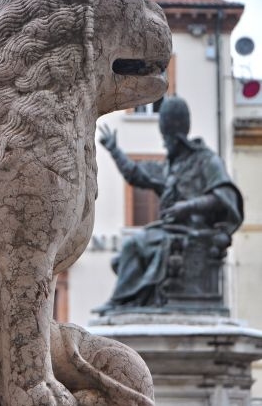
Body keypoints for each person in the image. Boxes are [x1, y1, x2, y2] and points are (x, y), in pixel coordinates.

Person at [94, 98, 243, 314]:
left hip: (195, 232)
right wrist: (114, 150)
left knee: (133, 245)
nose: (164, 144)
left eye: (168, 139)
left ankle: (122, 301)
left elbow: (224, 196)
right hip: (170, 231)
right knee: (133, 247)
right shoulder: (170, 169)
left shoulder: (206, 160)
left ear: (178, 139)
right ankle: (127, 302)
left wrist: (187, 207)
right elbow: (136, 175)